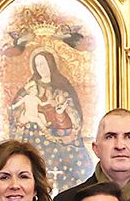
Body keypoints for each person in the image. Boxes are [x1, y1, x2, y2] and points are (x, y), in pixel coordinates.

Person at [7, 50, 92, 190]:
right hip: (36, 135)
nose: (41, 67)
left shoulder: (62, 86)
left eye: (43, 63)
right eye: (37, 64)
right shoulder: (31, 87)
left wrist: (61, 114)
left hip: (60, 132)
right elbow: (18, 108)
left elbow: (72, 111)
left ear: (50, 64)